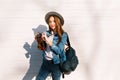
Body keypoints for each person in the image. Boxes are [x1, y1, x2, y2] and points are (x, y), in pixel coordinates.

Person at [35, 11, 68, 80]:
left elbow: (58, 50)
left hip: (56, 64)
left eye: (54, 21)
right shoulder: (46, 33)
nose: (52, 23)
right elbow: (42, 48)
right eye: (50, 21)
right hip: (45, 63)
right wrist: (39, 40)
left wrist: (50, 43)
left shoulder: (63, 35)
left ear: (58, 22)